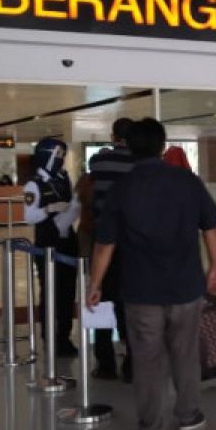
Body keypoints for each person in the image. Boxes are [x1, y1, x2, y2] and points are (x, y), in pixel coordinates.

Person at [86, 118, 216, 430]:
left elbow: (105, 244)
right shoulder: (187, 181)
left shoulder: (122, 188)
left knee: (146, 359)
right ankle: (189, 416)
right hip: (185, 286)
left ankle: (149, 429)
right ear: (162, 146)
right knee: (185, 353)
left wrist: (95, 283)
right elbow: (211, 227)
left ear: (130, 147)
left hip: (140, 290)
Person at [81, 118, 137, 382]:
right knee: (130, 303)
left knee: (101, 299)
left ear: (113, 136)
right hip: (132, 243)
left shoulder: (100, 162)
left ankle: (105, 365)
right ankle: (132, 365)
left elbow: (91, 186)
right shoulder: (138, 164)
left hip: (104, 239)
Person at [25, 137, 81, 357]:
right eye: (57, 155)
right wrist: (49, 209)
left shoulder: (63, 178)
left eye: (62, 156)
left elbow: (73, 204)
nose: (60, 160)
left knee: (68, 293)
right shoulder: (34, 184)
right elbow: (29, 217)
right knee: (50, 292)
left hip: (68, 242)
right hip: (47, 244)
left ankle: (64, 336)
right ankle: (49, 337)